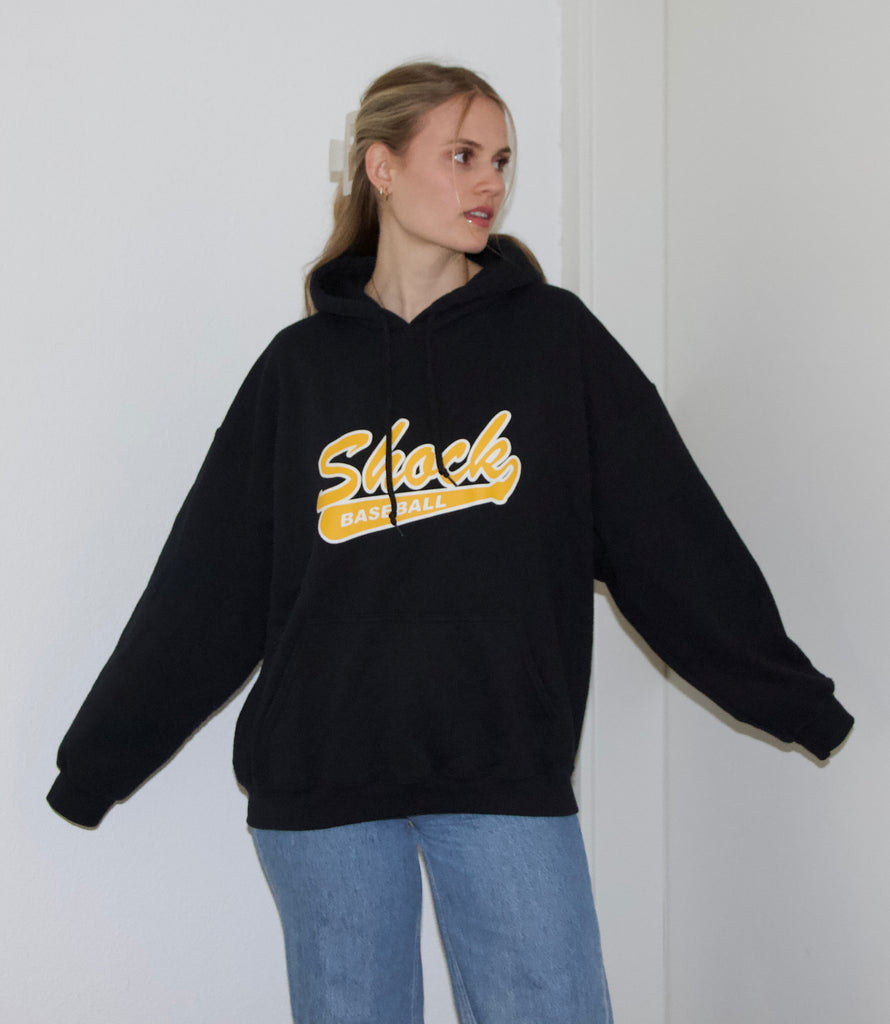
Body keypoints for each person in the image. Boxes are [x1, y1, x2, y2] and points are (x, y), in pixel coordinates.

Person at [47, 61, 853, 1023]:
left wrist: (794, 699)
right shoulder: (300, 371)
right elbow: (204, 591)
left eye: (502, 161)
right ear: (381, 168)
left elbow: (671, 538)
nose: (490, 184)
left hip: (502, 765)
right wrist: (96, 766)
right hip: (323, 783)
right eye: (462, 156)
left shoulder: (554, 344)